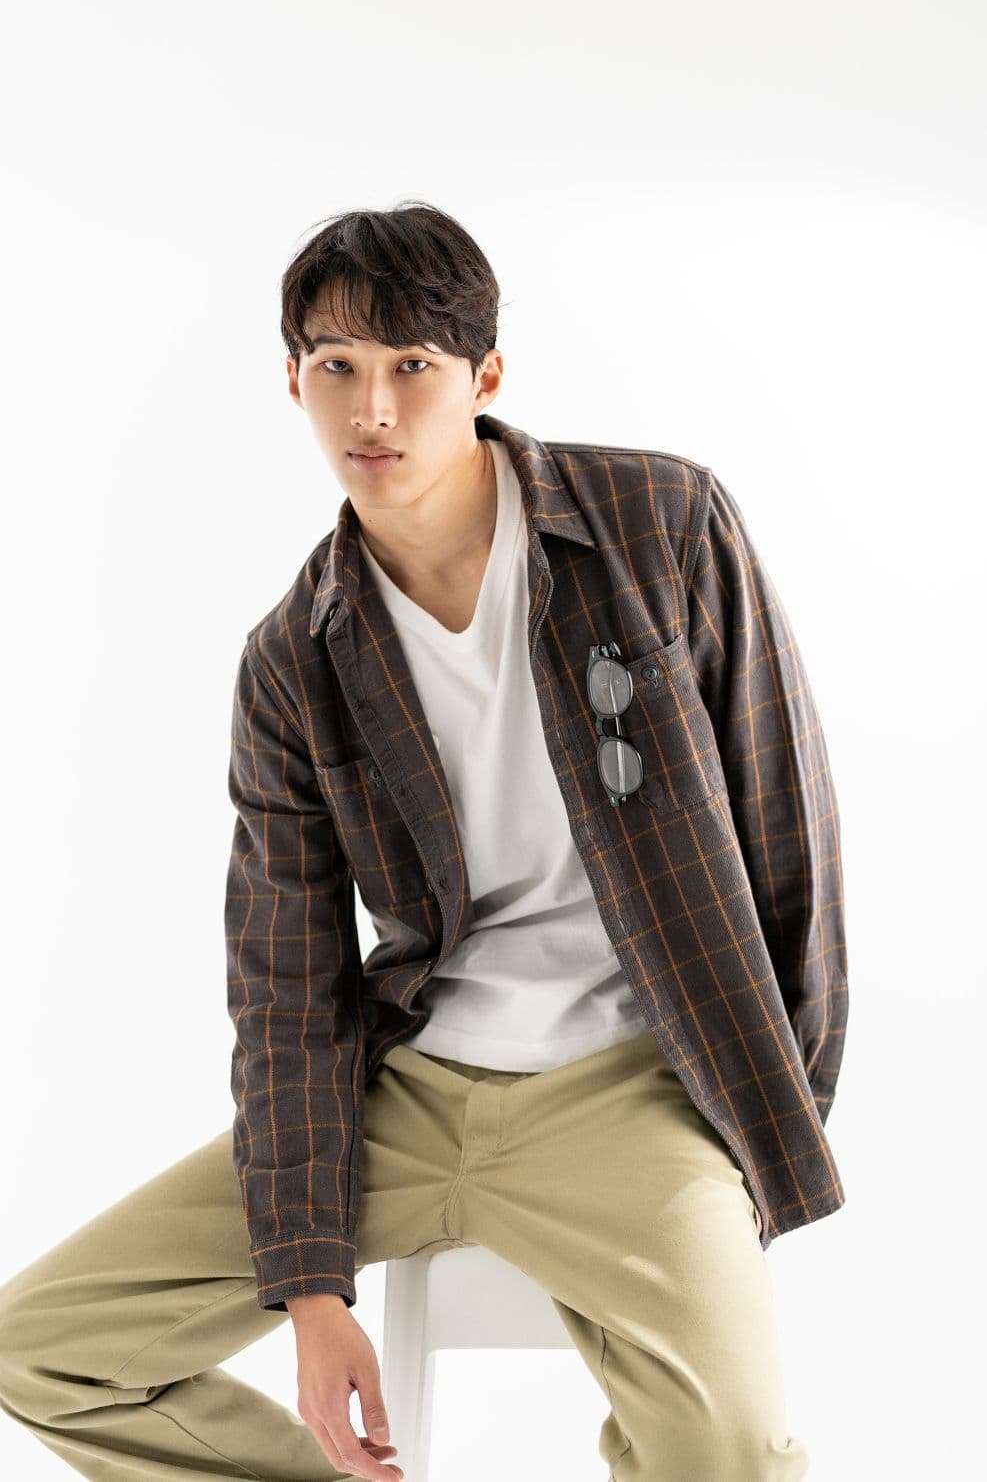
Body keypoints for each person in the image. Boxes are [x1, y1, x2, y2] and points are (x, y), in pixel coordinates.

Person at [0, 200, 847, 1481]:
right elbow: (285, 987)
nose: (374, 409)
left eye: (412, 365)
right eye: (336, 366)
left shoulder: (659, 524)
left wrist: (760, 1120)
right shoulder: (294, 660)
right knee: (44, 1347)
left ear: (484, 376)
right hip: (408, 1092)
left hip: (630, 1087)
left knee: (729, 1456)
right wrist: (310, 1291)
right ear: (292, 382)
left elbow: (790, 838)